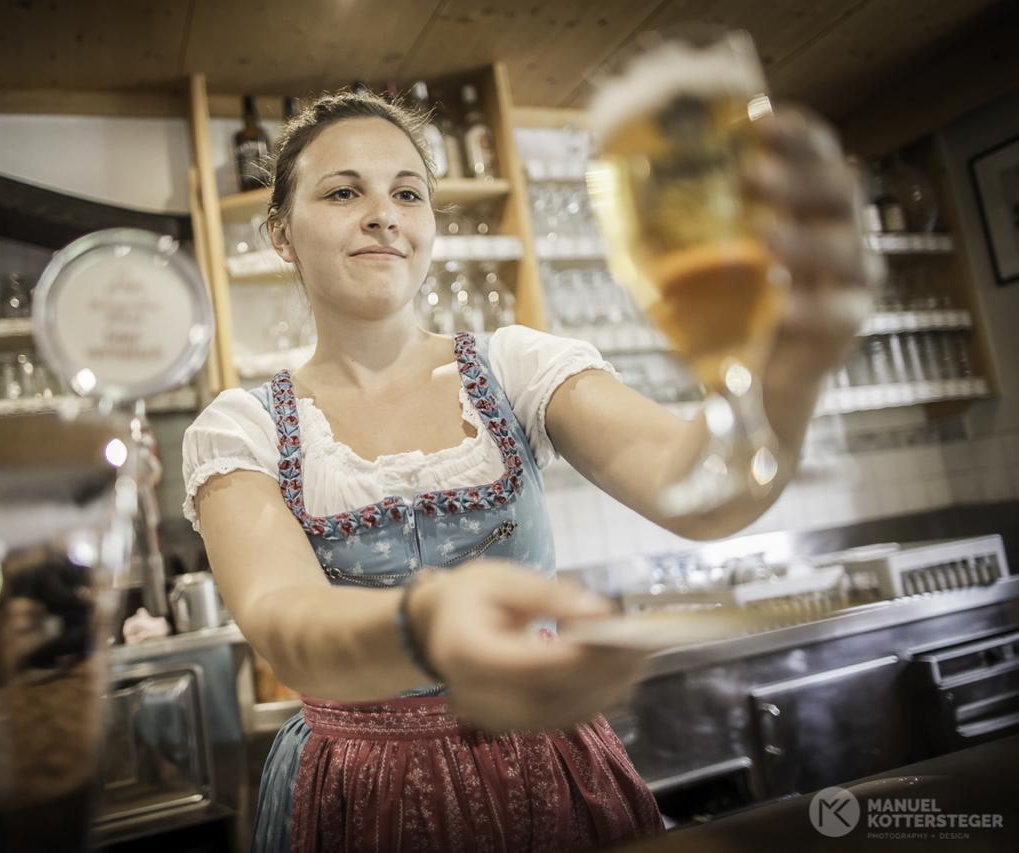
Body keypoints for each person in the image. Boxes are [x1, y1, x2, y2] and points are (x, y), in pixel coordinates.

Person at [182, 90, 875, 851]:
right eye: (344, 191)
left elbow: (704, 495)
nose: (384, 214)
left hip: (548, 773)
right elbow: (287, 625)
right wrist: (431, 626)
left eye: (407, 192)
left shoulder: (516, 366)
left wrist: (790, 366)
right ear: (280, 233)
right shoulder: (242, 428)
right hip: (356, 795)